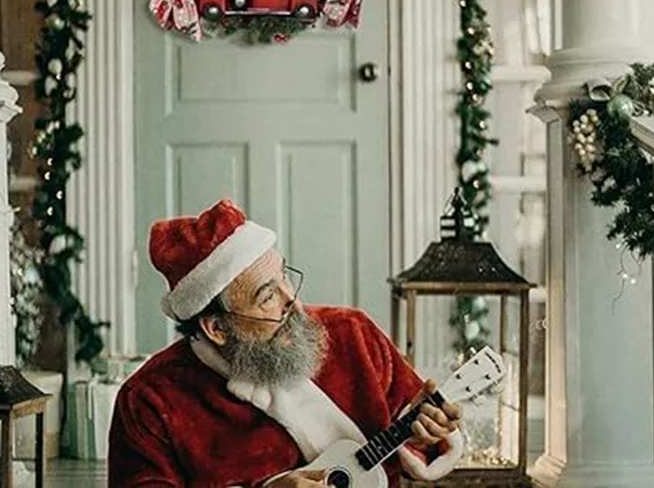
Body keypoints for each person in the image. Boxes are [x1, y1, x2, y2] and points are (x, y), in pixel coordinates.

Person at [109, 199, 463, 486]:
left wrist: (422, 438)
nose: (292, 299)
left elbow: (422, 441)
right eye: (267, 296)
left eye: (284, 276)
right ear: (217, 328)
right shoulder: (149, 400)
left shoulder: (353, 333)